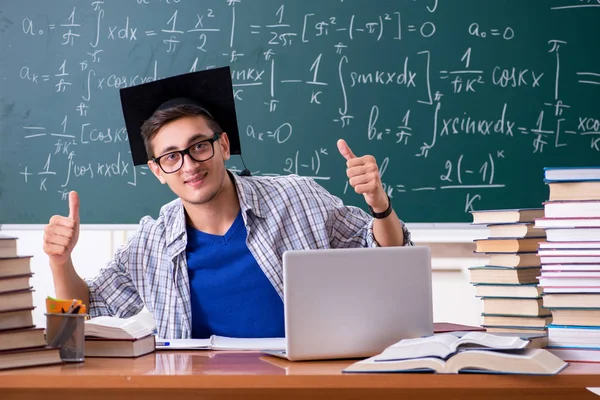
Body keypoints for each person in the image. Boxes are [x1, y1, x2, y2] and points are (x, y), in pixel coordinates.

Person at [43, 67, 413, 339]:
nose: (189, 165)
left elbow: (389, 253)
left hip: (306, 382)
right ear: (158, 171)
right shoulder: (150, 243)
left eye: (198, 146)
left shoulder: (297, 198)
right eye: (171, 157)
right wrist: (61, 262)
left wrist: (379, 204)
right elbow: (86, 308)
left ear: (223, 146)